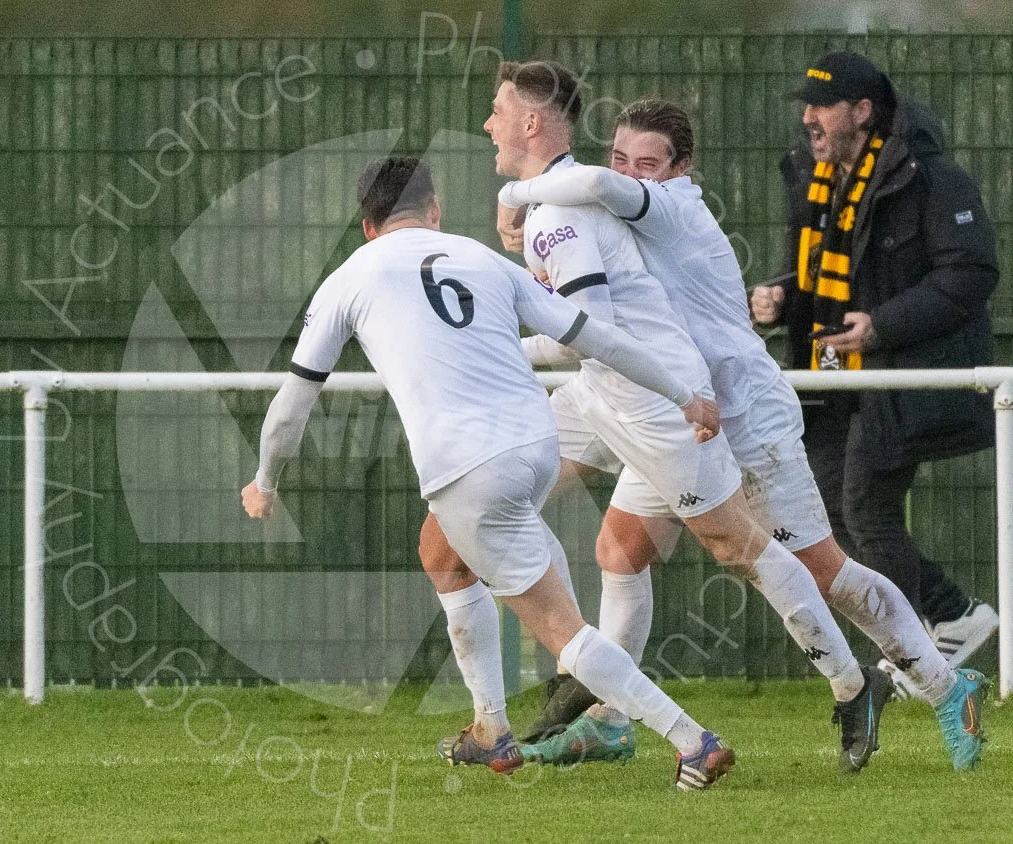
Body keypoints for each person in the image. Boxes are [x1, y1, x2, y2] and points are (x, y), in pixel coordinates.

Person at [419, 58, 895, 775]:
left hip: (654, 403)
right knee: (464, 524)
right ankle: (532, 710)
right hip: (599, 394)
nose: (487, 124)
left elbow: (587, 332)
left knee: (740, 548)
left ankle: (852, 687)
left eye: (497, 110)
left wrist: (497, 350)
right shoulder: (555, 207)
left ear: (531, 121)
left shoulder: (557, 218)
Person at [497, 97, 988, 771]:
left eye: (648, 163)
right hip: (675, 409)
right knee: (620, 550)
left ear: (681, 170)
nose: (631, 172)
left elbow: (592, 186)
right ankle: (612, 719)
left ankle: (944, 685)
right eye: (621, 157)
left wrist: (515, 194)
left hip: (743, 415)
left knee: (823, 570)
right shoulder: (608, 215)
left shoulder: (669, 206)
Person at [240, 156, 737, 790]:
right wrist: (684, 394)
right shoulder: (482, 259)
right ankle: (489, 731)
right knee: (440, 550)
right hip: (536, 446)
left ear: (367, 226)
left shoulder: (350, 277)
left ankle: (693, 741)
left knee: (561, 630)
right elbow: (598, 338)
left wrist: (265, 480)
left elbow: (290, 409)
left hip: (469, 468)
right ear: (435, 211)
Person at [751, 51, 1001, 693]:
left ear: (862, 111)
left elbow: (971, 273)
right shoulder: (813, 177)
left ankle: (915, 649)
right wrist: (782, 297)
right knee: (830, 516)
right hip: (831, 376)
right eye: (806, 106)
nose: (808, 119)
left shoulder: (933, 180)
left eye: (822, 106)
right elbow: (824, 276)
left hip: (896, 379)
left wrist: (881, 326)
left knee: (866, 509)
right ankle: (952, 615)